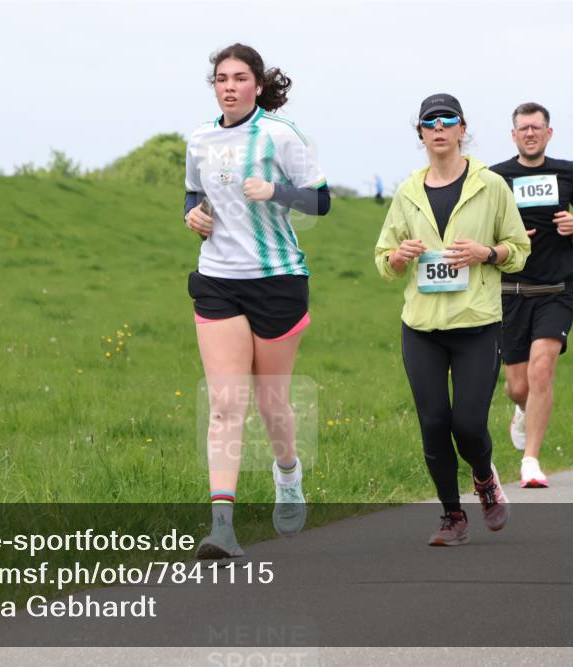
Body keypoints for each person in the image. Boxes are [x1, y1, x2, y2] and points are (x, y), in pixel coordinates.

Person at [184, 43, 331, 559]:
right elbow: (192, 195)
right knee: (225, 404)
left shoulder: (279, 135)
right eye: (221, 78)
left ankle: (287, 475)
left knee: (271, 403)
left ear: (258, 84)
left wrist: (275, 192)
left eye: (240, 78)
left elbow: (322, 200)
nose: (229, 86)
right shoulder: (200, 139)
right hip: (218, 279)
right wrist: (194, 216)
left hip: (276, 280)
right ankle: (221, 526)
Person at [374, 94, 530, 546]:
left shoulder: (491, 185)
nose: (439, 128)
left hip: (476, 325)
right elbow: (383, 258)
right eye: (429, 122)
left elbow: (518, 251)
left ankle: (484, 477)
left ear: (462, 129)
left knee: (467, 423)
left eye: (448, 121)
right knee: (433, 422)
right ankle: (451, 516)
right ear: (420, 133)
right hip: (421, 327)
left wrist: (487, 253)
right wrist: (398, 257)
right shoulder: (406, 191)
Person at [490, 103, 573, 488]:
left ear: (548, 133)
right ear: (514, 135)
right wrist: (507, 239)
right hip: (510, 292)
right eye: (523, 128)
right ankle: (523, 410)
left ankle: (530, 461)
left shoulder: (566, 171)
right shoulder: (496, 177)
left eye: (537, 127)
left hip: (556, 290)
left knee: (542, 370)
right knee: (517, 386)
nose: (530, 133)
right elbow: (483, 225)